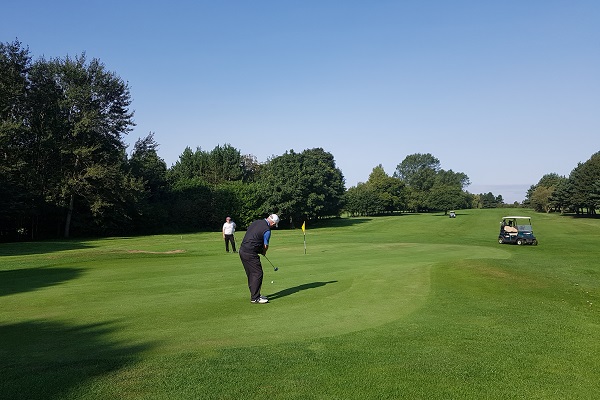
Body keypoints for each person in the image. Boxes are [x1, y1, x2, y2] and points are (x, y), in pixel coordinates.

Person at [239, 214, 280, 304]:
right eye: (274, 224)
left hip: (242, 250)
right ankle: (255, 298)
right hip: (250, 253)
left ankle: (255, 294)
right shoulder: (267, 230)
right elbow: (265, 245)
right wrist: (263, 251)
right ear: (273, 222)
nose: (273, 226)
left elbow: (252, 235)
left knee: (251, 274)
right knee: (257, 273)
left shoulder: (256, 222)